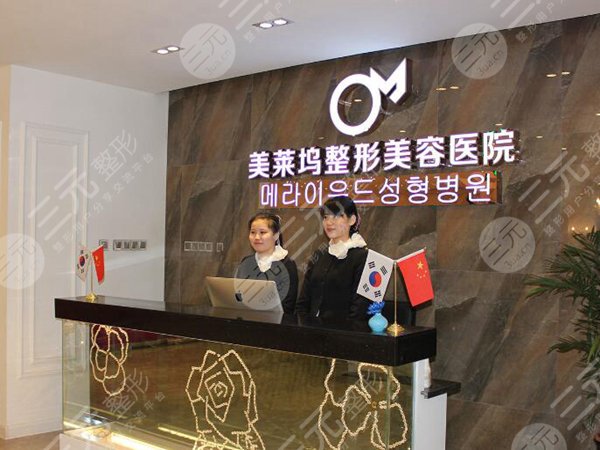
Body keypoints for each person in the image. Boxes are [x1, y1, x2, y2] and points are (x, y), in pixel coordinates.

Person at [295, 196, 369, 320]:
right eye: (325, 217)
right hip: (310, 328)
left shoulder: (362, 257)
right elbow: (303, 301)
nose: (329, 222)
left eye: (337, 216)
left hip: (343, 330)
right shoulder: (319, 254)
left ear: (352, 220)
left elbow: (360, 309)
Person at [236, 212, 298, 314]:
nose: (256, 237)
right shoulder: (246, 262)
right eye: (253, 232)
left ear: (276, 235)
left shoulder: (287, 265)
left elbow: (287, 306)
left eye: (262, 232)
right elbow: (237, 296)